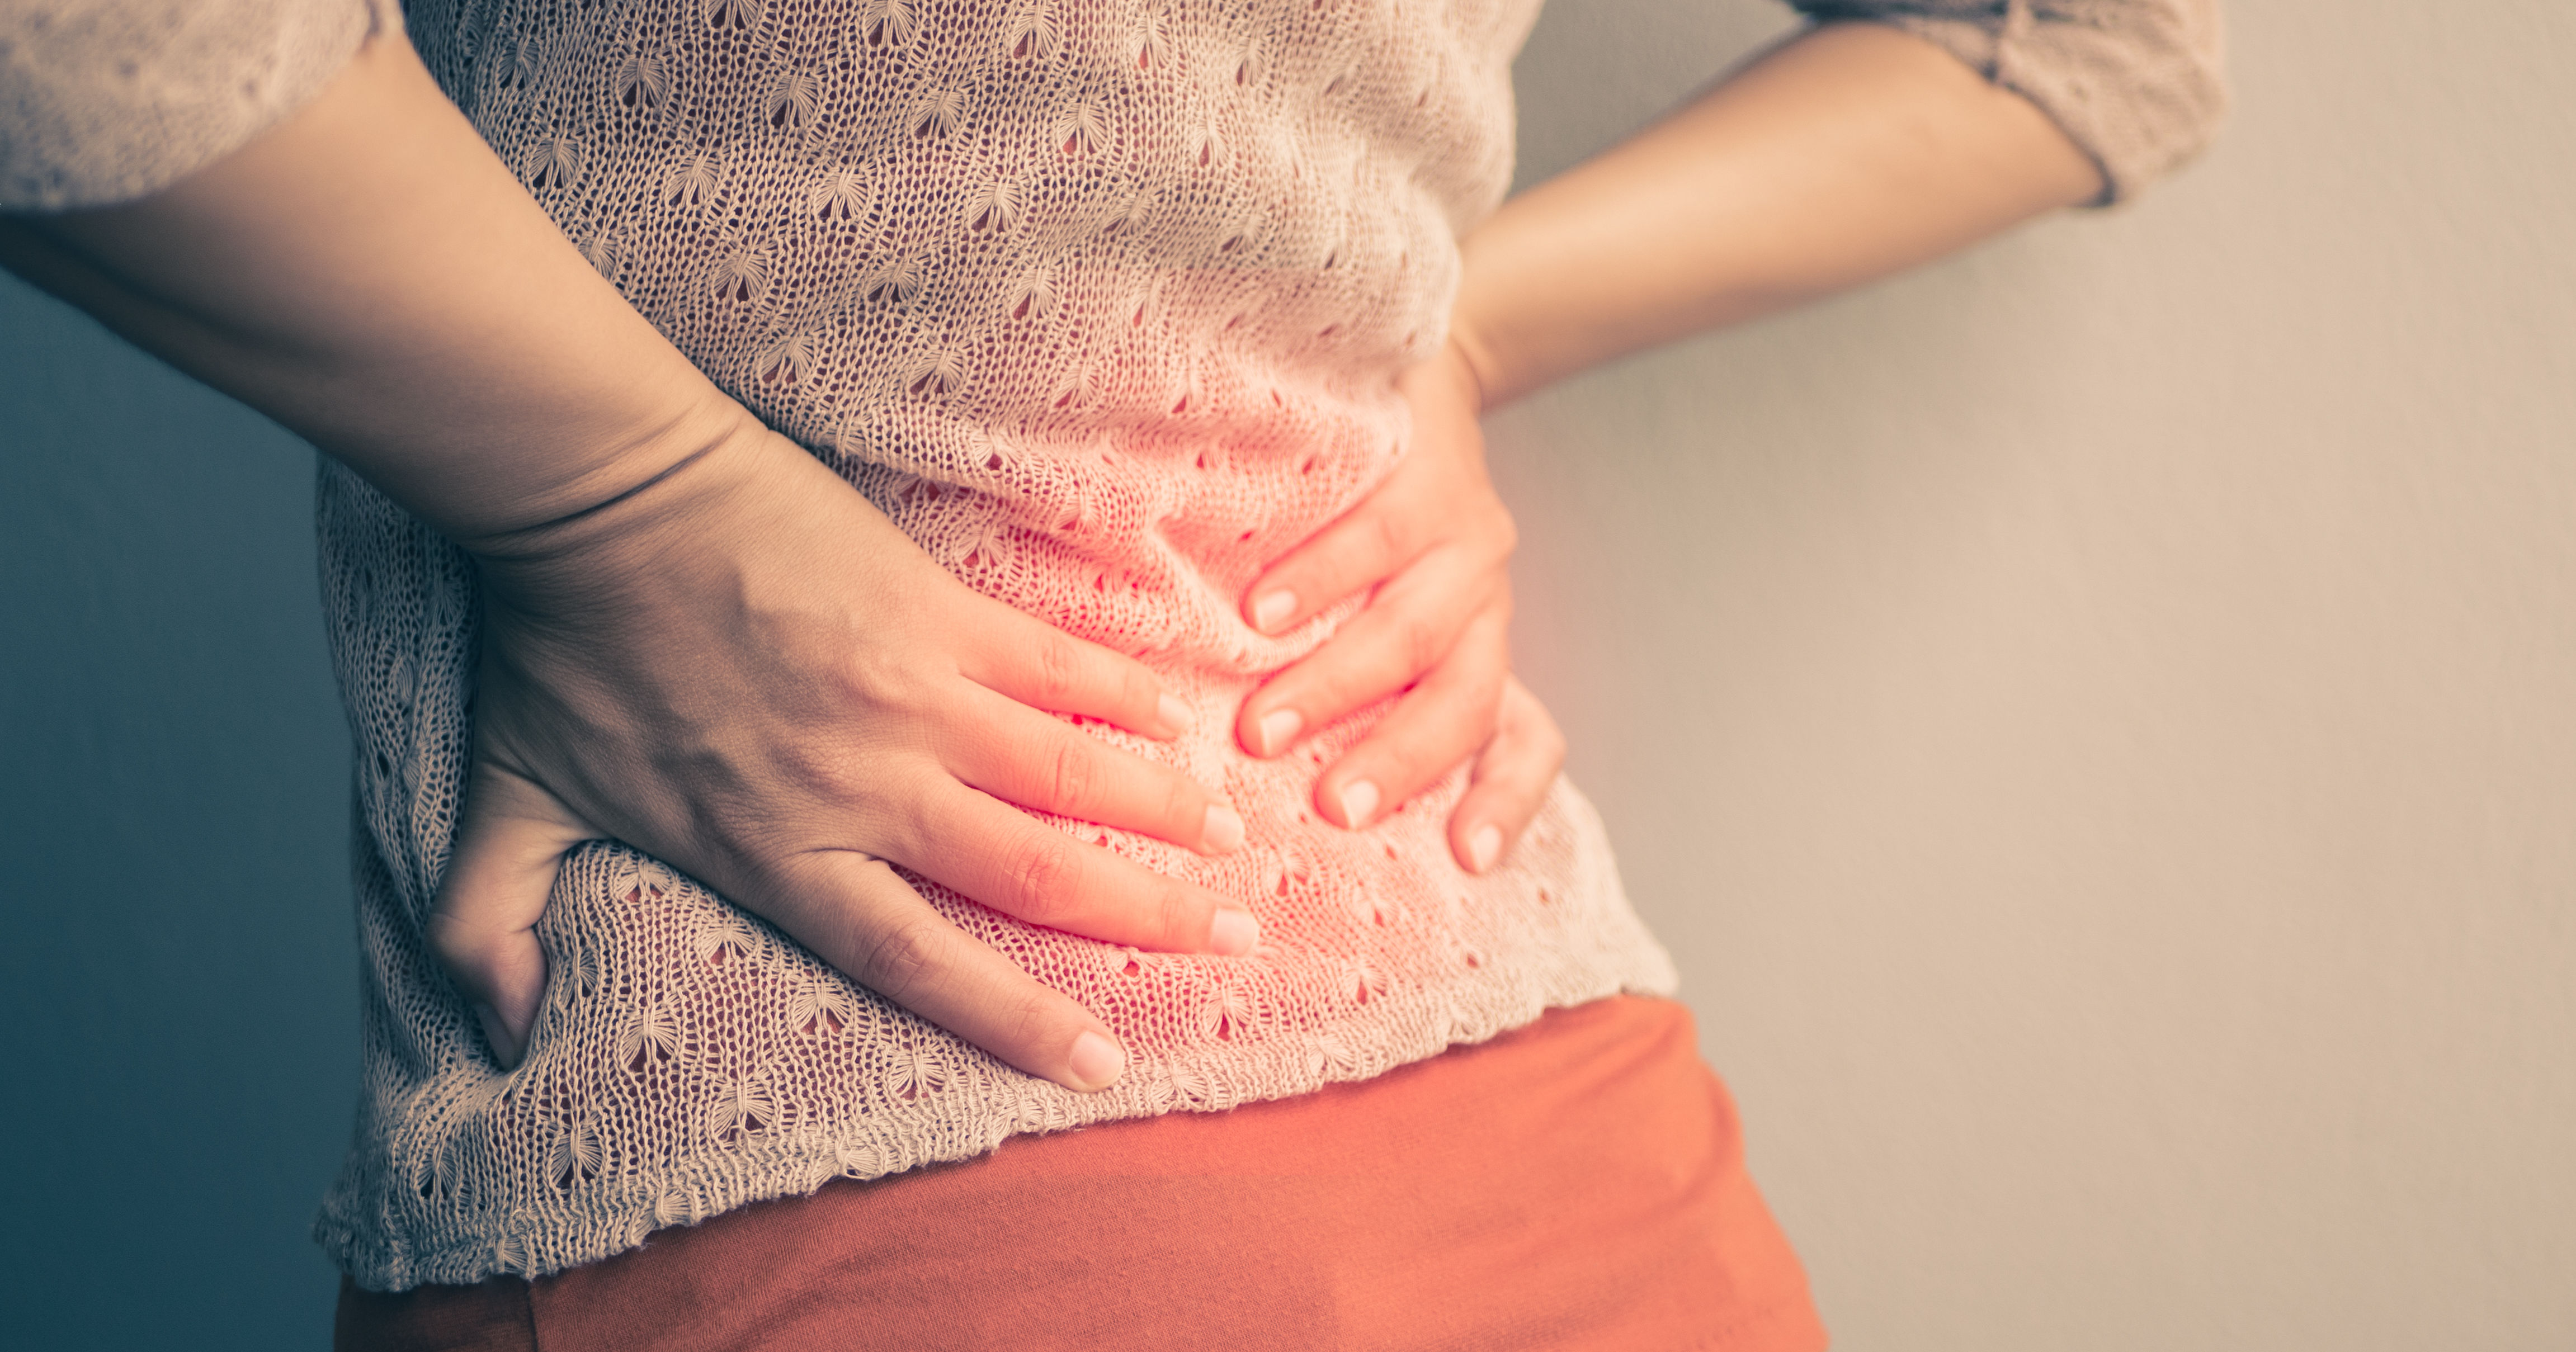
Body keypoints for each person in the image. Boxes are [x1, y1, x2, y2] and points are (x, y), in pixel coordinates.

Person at [0, 0, 2223, 1346]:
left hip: (829, 1219)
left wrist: (634, 498)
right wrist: (1445, 319)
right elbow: (2095, 40)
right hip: (1597, 1173)